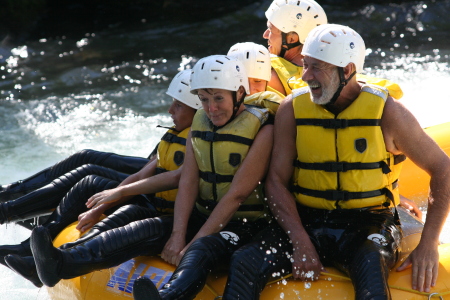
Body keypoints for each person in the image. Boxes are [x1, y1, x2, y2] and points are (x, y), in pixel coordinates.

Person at [222, 24, 450, 299]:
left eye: (317, 67)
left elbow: (443, 169)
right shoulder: (292, 110)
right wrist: (300, 241)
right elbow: (276, 182)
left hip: (368, 223)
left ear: (348, 70)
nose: (306, 76)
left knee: (370, 271)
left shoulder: (389, 113)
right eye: (305, 65)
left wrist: (429, 243)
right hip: (307, 219)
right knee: (244, 260)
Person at [1, 69, 200, 287]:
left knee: (120, 204)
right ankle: (34, 251)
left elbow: (178, 178)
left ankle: (52, 259)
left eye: (178, 105)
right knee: (95, 181)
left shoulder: (202, 139)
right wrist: (99, 208)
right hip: (158, 204)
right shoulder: (176, 133)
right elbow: (143, 173)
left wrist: (120, 192)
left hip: (185, 218)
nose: (170, 110)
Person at [263, 0, 327, 96]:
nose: (265, 35)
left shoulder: (265, 72)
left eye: (271, 30)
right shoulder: (330, 72)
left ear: (291, 39)